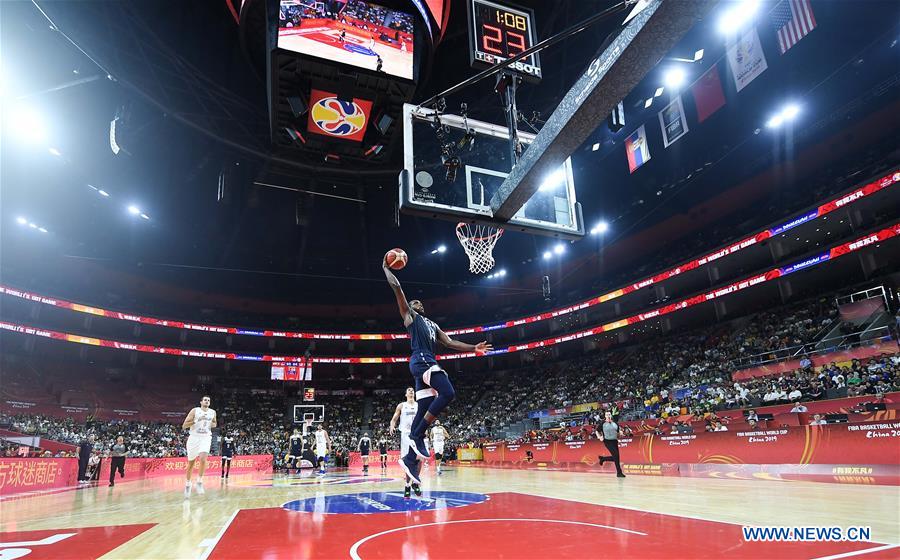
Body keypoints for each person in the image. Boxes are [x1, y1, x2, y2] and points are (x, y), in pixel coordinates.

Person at [383, 258, 492, 487]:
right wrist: (386, 268)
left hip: (424, 368)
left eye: (419, 302)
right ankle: (416, 435)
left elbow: (450, 343)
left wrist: (473, 348)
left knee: (424, 413)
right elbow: (397, 289)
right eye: (414, 302)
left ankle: (409, 461)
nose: (418, 303)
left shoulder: (433, 324)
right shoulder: (410, 318)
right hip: (422, 361)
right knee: (448, 392)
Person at [182, 395, 217, 498]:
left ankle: (199, 481)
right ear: (201, 402)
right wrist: (198, 420)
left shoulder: (212, 412)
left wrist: (209, 423)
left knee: (203, 459)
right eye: (205, 400)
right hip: (194, 438)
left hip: (205, 437)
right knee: (191, 464)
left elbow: (214, 424)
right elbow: (184, 425)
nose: (207, 401)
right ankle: (188, 484)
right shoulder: (195, 411)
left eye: (208, 400)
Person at [390, 387, 419, 497]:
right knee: (408, 462)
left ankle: (415, 482)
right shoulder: (401, 405)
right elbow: (394, 419)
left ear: (414, 393)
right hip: (406, 435)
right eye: (409, 390)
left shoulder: (419, 405)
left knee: (419, 459)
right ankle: (407, 485)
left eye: (412, 390)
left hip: (418, 434)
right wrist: (392, 426)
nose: (411, 391)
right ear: (406, 394)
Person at [597, 411, 625, 478]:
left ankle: (603, 459)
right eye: (607, 415)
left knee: (616, 457)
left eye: (609, 414)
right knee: (616, 456)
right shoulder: (602, 423)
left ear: (611, 415)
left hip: (615, 441)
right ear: (605, 416)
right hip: (607, 441)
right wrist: (599, 436)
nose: (608, 416)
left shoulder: (615, 423)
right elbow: (597, 431)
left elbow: (618, 432)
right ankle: (619, 473)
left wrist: (621, 433)